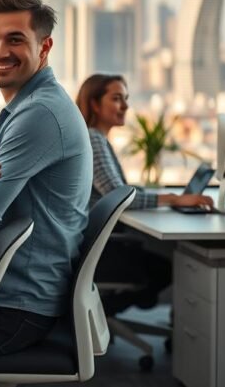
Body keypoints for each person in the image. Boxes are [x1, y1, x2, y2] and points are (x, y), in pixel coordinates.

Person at [0, 0, 91, 358]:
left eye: (15, 40)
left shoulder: (38, 115)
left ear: (44, 47)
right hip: (6, 298)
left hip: (12, 310)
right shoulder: (26, 107)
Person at [75, 73, 210, 312]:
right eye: (117, 99)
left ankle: (102, 312)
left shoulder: (98, 139)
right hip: (101, 251)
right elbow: (118, 195)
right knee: (163, 269)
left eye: (126, 98)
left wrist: (165, 196)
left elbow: (118, 189)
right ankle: (103, 311)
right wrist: (172, 199)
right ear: (95, 103)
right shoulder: (93, 140)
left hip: (98, 245)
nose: (125, 106)